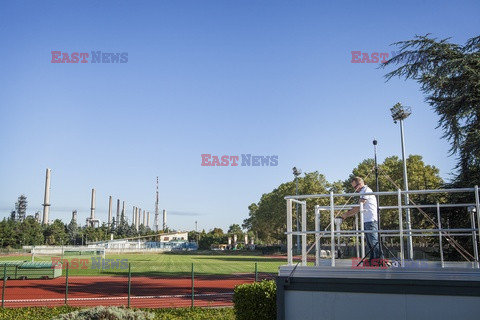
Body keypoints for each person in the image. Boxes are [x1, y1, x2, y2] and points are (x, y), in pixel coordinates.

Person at [341, 176, 383, 262]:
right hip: (366, 220)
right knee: (369, 243)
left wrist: (346, 214)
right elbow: (358, 206)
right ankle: (373, 260)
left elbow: (359, 207)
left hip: (371, 220)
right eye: (354, 187)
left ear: (360, 183)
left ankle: (379, 260)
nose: (355, 189)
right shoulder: (363, 192)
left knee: (373, 241)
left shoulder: (366, 190)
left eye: (355, 186)